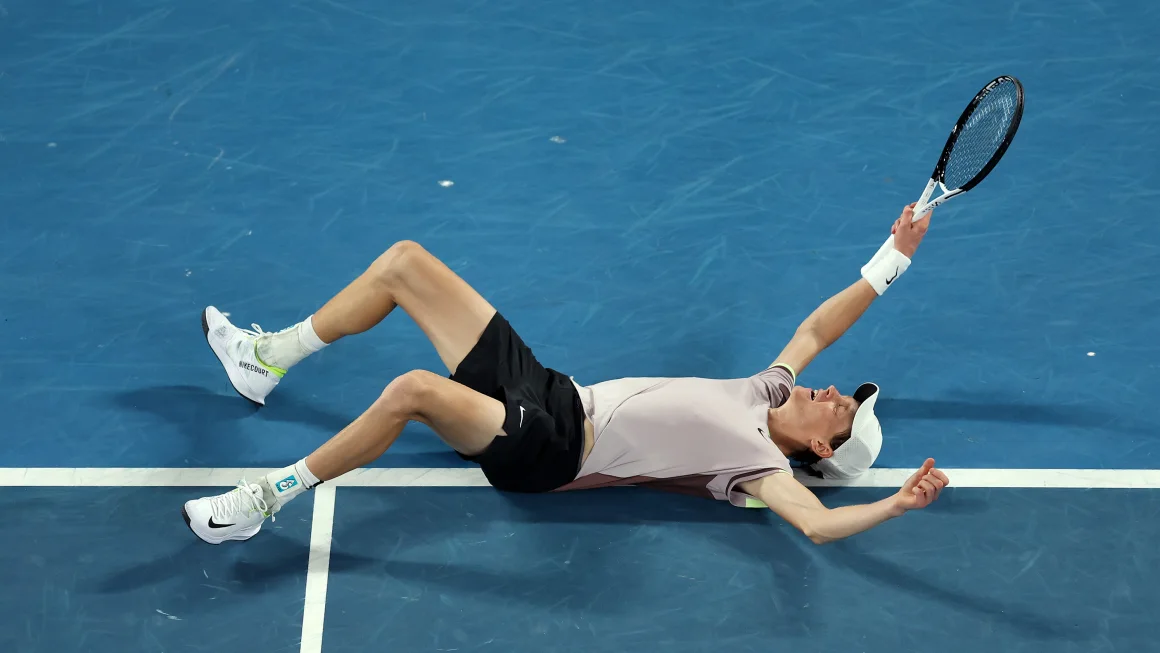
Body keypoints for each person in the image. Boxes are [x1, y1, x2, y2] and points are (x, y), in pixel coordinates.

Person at [182, 203, 949, 545]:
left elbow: (816, 525)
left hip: (550, 449)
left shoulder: (754, 467)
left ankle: (263, 498)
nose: (828, 390)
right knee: (404, 263)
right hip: (549, 389)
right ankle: (265, 359)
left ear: (819, 452)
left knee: (411, 390)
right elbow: (819, 326)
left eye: (837, 410)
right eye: (840, 389)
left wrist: (894, 505)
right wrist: (893, 262)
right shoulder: (766, 390)